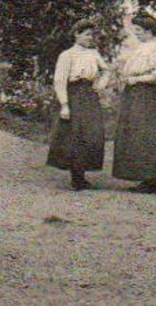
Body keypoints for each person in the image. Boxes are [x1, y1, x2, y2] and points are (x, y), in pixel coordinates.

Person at [113, 11, 156, 193]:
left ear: (148, 31)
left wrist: (137, 80)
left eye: (138, 30)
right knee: (135, 132)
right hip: (134, 94)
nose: (135, 33)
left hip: (147, 95)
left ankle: (151, 178)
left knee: (147, 133)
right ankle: (143, 176)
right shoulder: (141, 48)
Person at [47, 19, 107, 191]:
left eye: (92, 34)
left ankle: (82, 174)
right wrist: (65, 104)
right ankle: (76, 177)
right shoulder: (67, 55)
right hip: (73, 95)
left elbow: (106, 70)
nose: (91, 38)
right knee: (74, 135)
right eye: (87, 34)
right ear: (77, 34)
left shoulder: (94, 54)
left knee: (91, 133)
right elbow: (59, 80)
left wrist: (100, 85)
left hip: (89, 95)